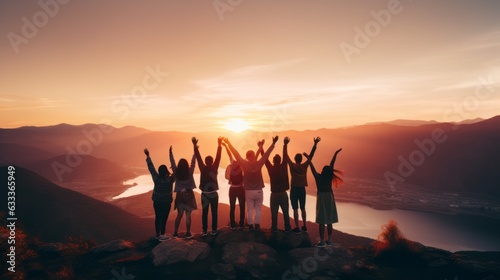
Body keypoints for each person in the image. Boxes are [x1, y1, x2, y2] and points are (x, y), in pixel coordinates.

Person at [223, 136, 278, 230]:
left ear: (247, 157)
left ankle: (249, 225)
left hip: (248, 191)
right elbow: (266, 155)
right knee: (258, 209)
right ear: (253, 156)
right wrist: (273, 144)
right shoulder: (259, 163)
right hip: (259, 191)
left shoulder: (244, 164)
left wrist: (228, 144)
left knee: (249, 209)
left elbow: (235, 154)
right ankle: (256, 224)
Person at [304, 148, 343, 247]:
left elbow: (312, 168)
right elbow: (332, 164)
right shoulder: (329, 177)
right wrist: (335, 154)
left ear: (322, 171)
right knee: (329, 220)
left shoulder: (318, 177)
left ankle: (322, 242)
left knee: (321, 221)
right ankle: (329, 240)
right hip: (329, 197)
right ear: (329, 172)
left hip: (321, 197)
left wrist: (308, 158)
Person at [284, 137, 320, 234]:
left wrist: (285, 144)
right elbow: (311, 156)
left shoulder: (292, 166)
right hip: (302, 189)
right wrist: (315, 144)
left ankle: (297, 227)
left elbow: (286, 156)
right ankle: (304, 226)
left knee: (295, 208)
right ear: (301, 159)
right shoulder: (305, 166)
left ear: (295, 159)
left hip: (294, 189)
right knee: (303, 208)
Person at [258, 138, 292, 233]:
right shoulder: (283, 167)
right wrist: (285, 145)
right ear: (280, 160)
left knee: (274, 213)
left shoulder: (271, 168)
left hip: (274, 195)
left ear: (273, 161)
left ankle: (274, 228)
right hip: (283, 194)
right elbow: (285, 156)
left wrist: (261, 147)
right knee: (285, 212)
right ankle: (288, 228)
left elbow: (265, 159)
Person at [193, 136, 222, 236]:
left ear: (205, 162)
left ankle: (204, 231)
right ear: (212, 161)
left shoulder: (202, 167)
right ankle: (214, 230)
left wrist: (195, 146)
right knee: (214, 212)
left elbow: (198, 157)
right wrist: (219, 145)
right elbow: (219, 157)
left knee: (204, 213)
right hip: (214, 194)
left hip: (204, 194)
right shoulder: (215, 167)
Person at [144, 148, 174, 241]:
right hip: (166, 202)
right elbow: (175, 168)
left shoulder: (156, 178)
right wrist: (170, 154)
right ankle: (162, 234)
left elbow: (151, 167)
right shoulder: (170, 180)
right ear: (166, 171)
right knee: (164, 218)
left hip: (157, 201)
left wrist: (148, 156)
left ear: (159, 171)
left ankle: (158, 234)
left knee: (158, 217)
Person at [170, 145, 197, 239]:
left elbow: (172, 164)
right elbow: (193, 162)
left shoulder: (176, 172)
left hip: (180, 196)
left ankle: (175, 232)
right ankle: (188, 233)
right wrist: (195, 149)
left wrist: (170, 153)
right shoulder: (190, 172)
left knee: (179, 215)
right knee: (188, 215)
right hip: (189, 195)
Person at [223, 142, 245, 229]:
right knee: (242, 206)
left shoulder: (232, 163)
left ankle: (232, 225)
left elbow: (229, 154)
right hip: (240, 189)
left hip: (232, 189)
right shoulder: (242, 164)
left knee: (232, 207)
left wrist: (226, 146)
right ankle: (241, 224)